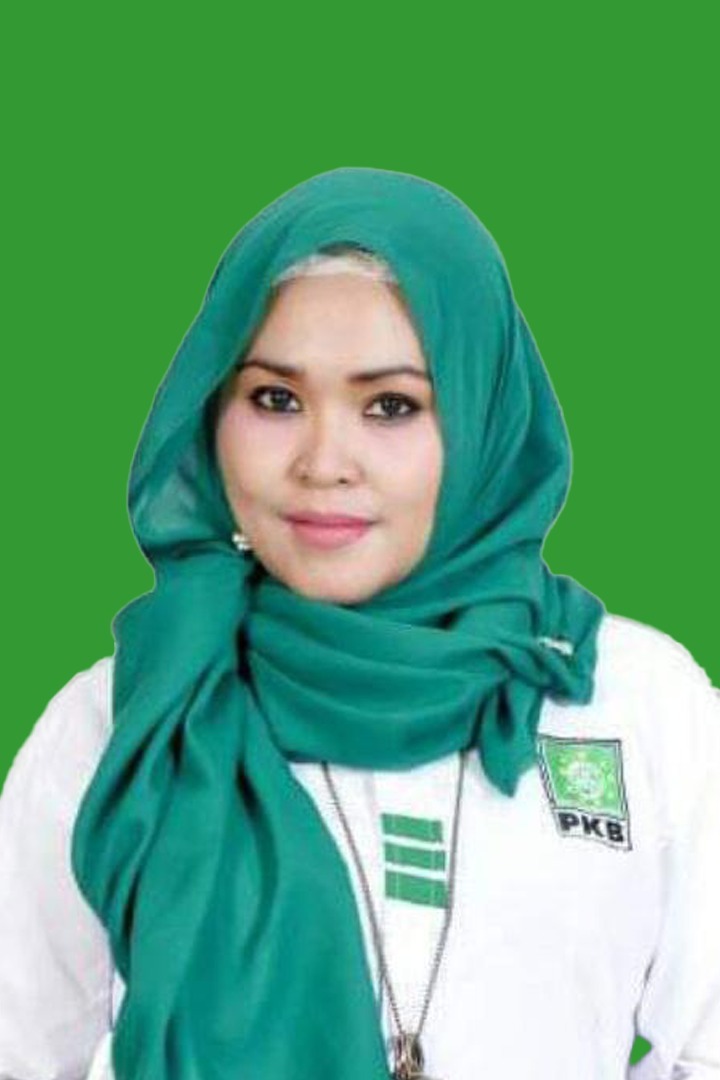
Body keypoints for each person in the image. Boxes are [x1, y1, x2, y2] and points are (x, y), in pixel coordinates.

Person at [1, 166, 718, 1080]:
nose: (324, 462)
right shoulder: (128, 718)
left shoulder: (633, 701)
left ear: (484, 420)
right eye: (275, 399)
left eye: (391, 406)